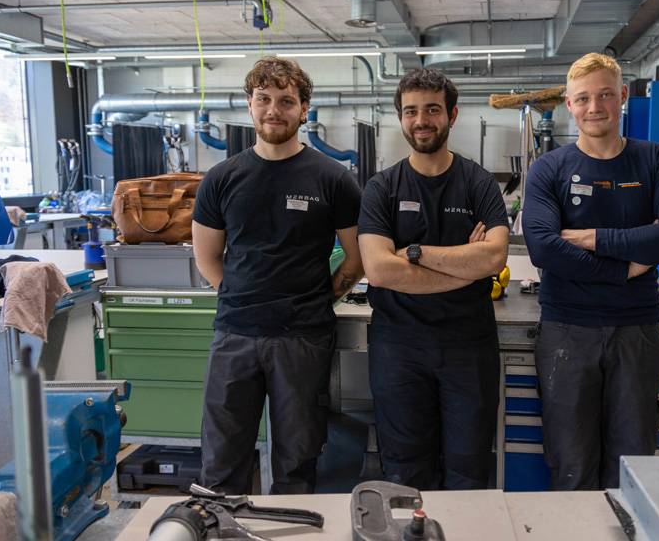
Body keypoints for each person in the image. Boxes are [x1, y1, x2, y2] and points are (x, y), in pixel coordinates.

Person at [192, 57, 363, 494]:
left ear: (304, 109)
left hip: (302, 338)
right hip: (235, 335)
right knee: (223, 460)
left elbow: (358, 258)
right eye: (264, 99)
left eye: (286, 101)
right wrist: (236, 296)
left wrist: (319, 300)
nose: (274, 110)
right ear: (249, 106)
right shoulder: (221, 178)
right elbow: (207, 256)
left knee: (296, 462)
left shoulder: (333, 178)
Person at [523, 52, 659, 490]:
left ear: (622, 96)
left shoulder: (657, 161)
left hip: (635, 329)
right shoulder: (549, 169)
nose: (594, 107)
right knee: (571, 462)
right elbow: (543, 247)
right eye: (582, 99)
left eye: (603, 95)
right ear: (568, 103)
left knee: (632, 463)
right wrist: (627, 265)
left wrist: (593, 237)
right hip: (566, 328)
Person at [357, 68, 509, 490]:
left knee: (468, 465)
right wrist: (466, 265)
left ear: (452, 115)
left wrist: (417, 254)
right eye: (411, 111)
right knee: (405, 469)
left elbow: (494, 255)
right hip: (398, 348)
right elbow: (379, 270)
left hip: (468, 347)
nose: (421, 120)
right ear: (400, 118)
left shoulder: (478, 182)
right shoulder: (381, 188)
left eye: (432, 109)